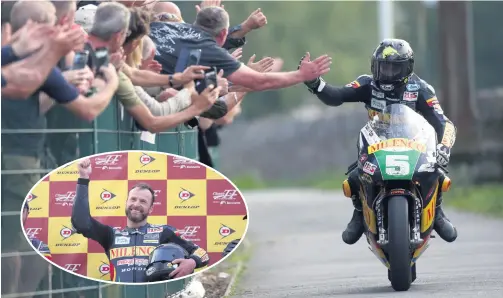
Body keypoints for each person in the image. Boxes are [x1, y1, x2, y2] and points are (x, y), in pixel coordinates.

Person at [301, 38, 458, 245]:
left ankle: (436, 212)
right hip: (378, 147)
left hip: (414, 147)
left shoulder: (421, 88)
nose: (387, 73)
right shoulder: (367, 84)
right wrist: (314, 82)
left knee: (435, 172)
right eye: (383, 67)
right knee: (356, 176)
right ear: (374, 66)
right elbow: (336, 96)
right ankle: (359, 213)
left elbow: (443, 122)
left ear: (407, 68)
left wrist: (444, 147)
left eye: (394, 68)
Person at [71, 158, 210, 283]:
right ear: (126, 202)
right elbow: (81, 223)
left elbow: (202, 253)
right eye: (133, 199)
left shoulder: (164, 232)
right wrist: (83, 178)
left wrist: (192, 262)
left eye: (143, 201)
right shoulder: (110, 234)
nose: (136, 204)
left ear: (150, 209)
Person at [149, 6, 331, 92]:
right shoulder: (210, 50)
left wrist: (245, 27)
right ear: (223, 33)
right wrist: (301, 75)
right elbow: (259, 81)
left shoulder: (170, 25)